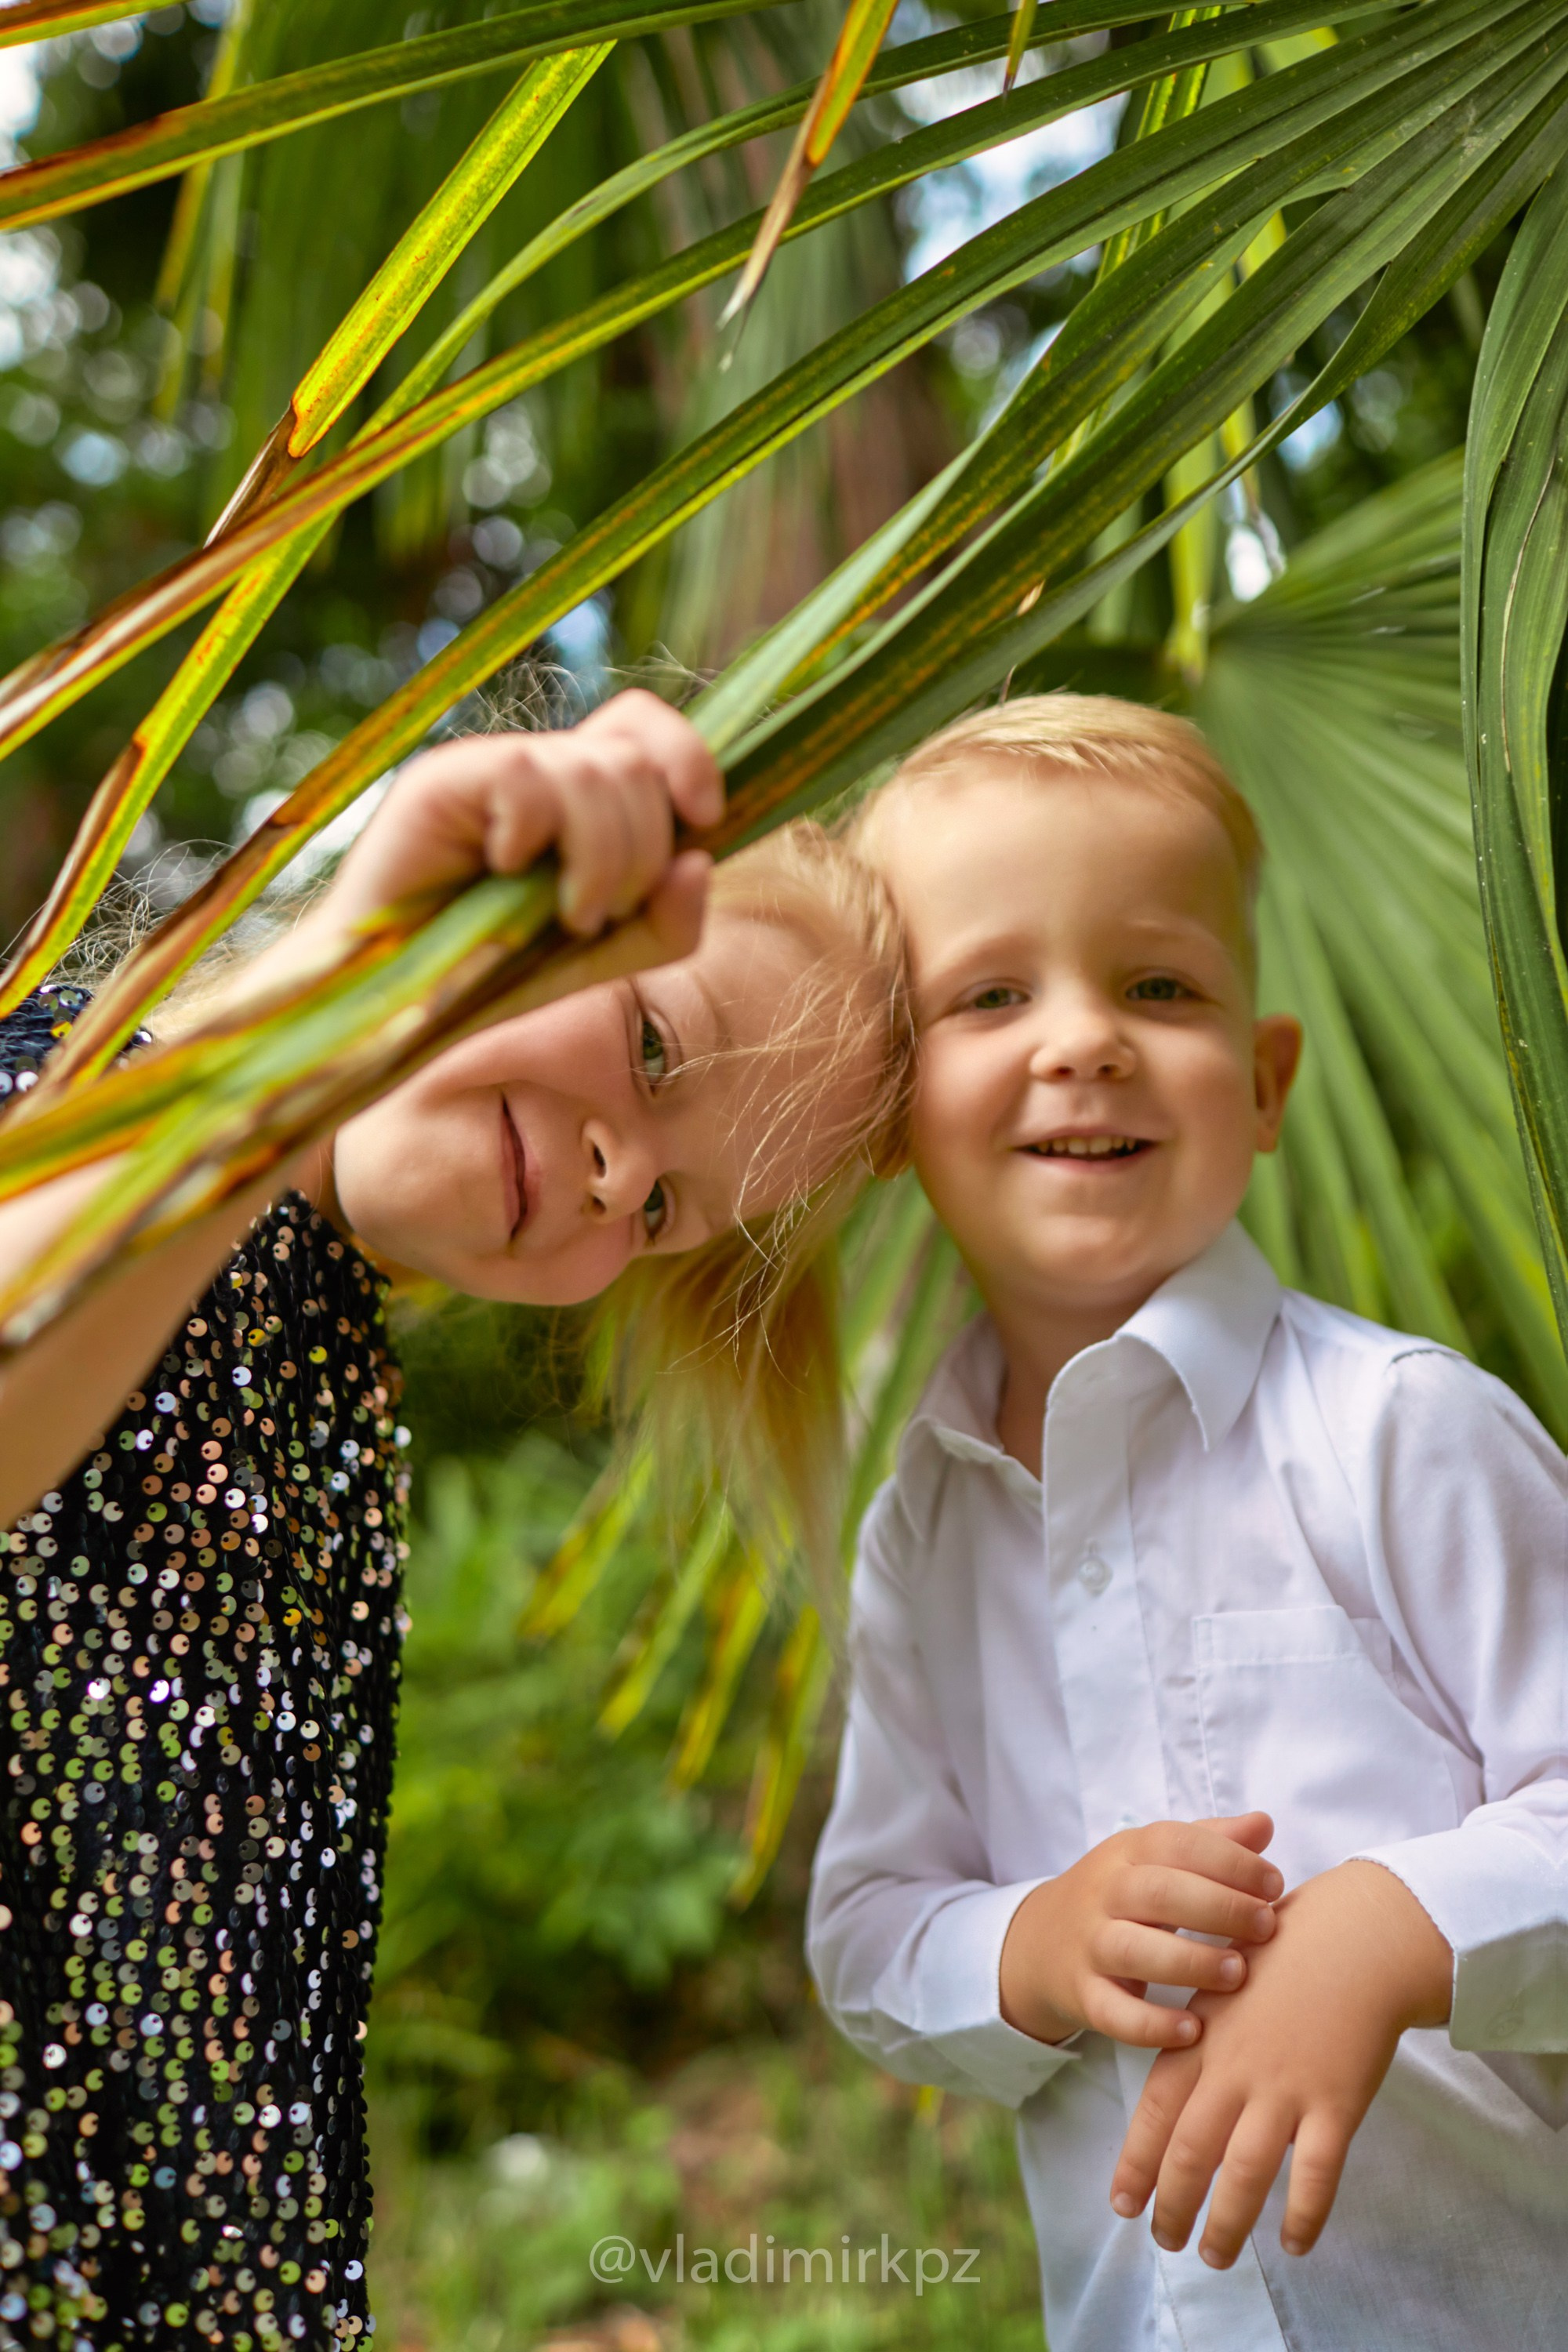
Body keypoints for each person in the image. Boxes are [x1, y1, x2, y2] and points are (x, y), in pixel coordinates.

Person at [0, 690, 910, 2352]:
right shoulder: (84, 1088)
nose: (615, 1182)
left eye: (670, 1217)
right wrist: (311, 1022)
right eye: (650, 1049)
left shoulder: (322, 1361)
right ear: (508, 878)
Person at [807, 695, 1568, 2352]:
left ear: (1266, 1080)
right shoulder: (922, 1537)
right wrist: (1028, 1944)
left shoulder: (1397, 1435)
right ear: (884, 1109)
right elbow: (866, 1930)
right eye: (990, 994)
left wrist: (1392, 1930)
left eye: (1159, 985)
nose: (1082, 1038)